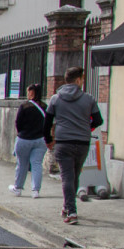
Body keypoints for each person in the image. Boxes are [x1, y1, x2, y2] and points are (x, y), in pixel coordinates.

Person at [43, 67, 104, 225]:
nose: (83, 82)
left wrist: (49, 139)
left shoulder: (55, 99)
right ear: (78, 80)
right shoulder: (89, 99)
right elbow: (98, 121)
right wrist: (87, 126)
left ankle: (71, 210)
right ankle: (68, 206)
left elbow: (47, 121)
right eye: (83, 79)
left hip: (63, 142)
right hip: (83, 142)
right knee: (74, 176)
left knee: (67, 177)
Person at [10, 83, 47, 199]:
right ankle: (35, 190)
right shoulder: (45, 107)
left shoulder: (25, 106)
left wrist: (22, 133)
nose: (27, 94)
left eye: (28, 91)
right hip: (40, 139)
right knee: (37, 164)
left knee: (22, 164)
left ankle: (18, 188)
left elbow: (18, 123)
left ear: (32, 93)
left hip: (24, 139)